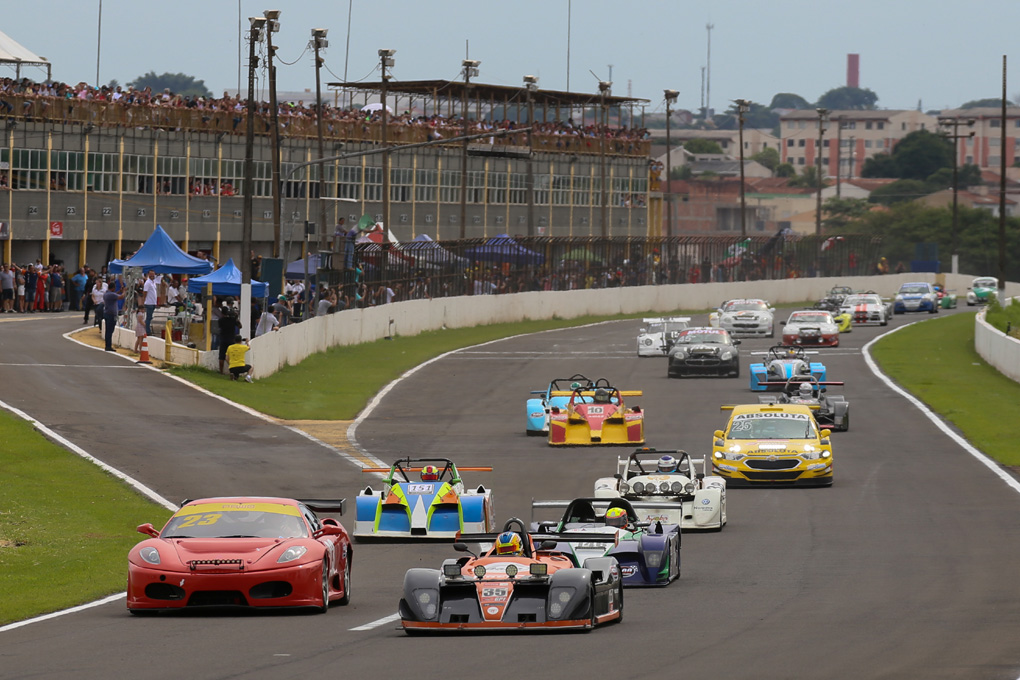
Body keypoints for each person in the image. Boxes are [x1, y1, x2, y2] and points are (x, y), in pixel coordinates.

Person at [102, 277, 127, 351]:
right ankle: (108, 346)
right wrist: (124, 291)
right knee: (110, 331)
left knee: (108, 330)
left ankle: (108, 345)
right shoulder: (111, 295)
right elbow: (121, 296)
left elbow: (115, 294)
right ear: (113, 288)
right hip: (111, 315)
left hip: (107, 313)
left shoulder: (107, 294)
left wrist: (119, 291)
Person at [217, 301, 238, 373]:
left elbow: (219, 327)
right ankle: (233, 370)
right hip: (231, 339)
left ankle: (221, 371)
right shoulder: (232, 320)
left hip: (223, 339)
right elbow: (240, 326)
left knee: (221, 356)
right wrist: (236, 317)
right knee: (231, 356)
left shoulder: (221, 320)